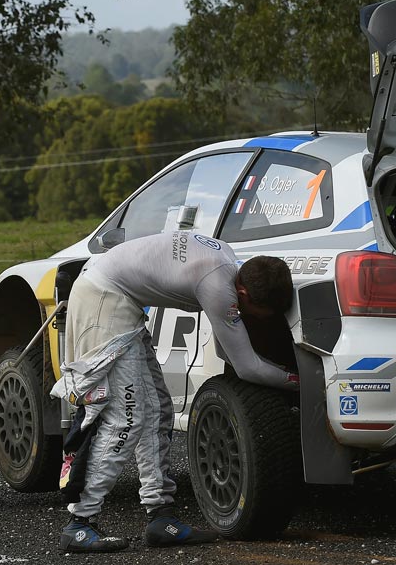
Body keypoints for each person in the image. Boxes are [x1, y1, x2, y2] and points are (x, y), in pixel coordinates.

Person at [50, 230, 296, 553]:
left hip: (118, 299)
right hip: (101, 300)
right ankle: (79, 523)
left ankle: (160, 516)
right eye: (258, 313)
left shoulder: (231, 266)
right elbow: (247, 366)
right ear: (244, 292)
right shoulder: (218, 286)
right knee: (126, 419)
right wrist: (295, 380)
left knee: (157, 410)